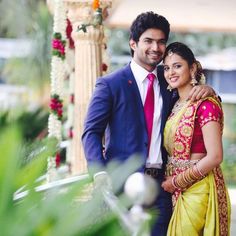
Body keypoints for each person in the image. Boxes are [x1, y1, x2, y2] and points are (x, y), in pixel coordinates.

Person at [82, 12, 215, 236]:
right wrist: (98, 172)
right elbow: (91, 133)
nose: (156, 47)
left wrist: (209, 91)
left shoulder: (169, 79)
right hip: (121, 187)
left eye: (161, 41)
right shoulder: (110, 85)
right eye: (148, 41)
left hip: (161, 189)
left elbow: (195, 100)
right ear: (133, 43)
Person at [161, 42, 231, 235]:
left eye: (177, 66)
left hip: (197, 189)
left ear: (192, 68)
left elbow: (215, 156)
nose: (171, 72)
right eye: (167, 67)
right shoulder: (174, 104)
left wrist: (177, 182)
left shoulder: (206, 104)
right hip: (173, 189)